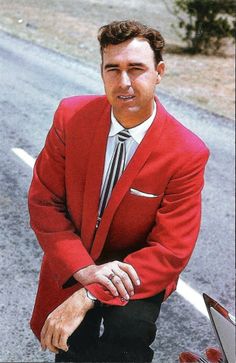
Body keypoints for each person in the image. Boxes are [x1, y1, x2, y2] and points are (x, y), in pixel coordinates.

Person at [28, 20, 210, 362]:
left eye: (136, 69)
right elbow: (44, 202)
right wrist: (84, 272)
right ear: (101, 72)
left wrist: (89, 293)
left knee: (128, 339)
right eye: (113, 69)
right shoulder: (71, 116)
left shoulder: (187, 152)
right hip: (77, 257)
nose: (124, 82)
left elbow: (170, 251)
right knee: (70, 346)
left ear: (159, 72)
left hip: (137, 271)